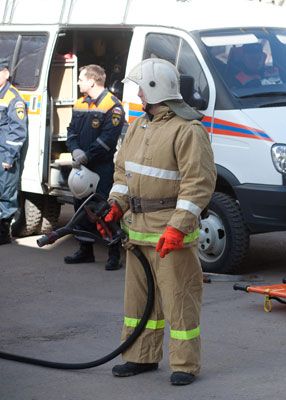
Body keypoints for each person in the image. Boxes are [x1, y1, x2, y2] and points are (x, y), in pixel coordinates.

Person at [99, 58, 216, 386]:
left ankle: (184, 364)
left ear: (155, 89)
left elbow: (198, 184)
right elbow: (123, 172)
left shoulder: (188, 130)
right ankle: (140, 356)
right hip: (137, 232)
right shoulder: (139, 126)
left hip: (169, 234)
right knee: (139, 303)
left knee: (180, 300)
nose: (138, 93)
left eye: (141, 88)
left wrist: (179, 227)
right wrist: (116, 205)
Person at [64, 64, 124, 270]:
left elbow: (108, 139)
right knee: (80, 209)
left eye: (81, 79)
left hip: (101, 168)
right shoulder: (79, 103)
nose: (78, 82)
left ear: (92, 81)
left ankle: (114, 254)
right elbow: (71, 131)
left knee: (104, 209)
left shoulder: (113, 106)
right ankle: (85, 250)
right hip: (81, 166)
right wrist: (74, 150)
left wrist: (86, 156)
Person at [0, 57, 28, 245]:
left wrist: (9, 157)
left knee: (5, 193)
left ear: (5, 73)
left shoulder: (13, 98)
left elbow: (18, 131)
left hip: (5, 154)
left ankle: (3, 232)